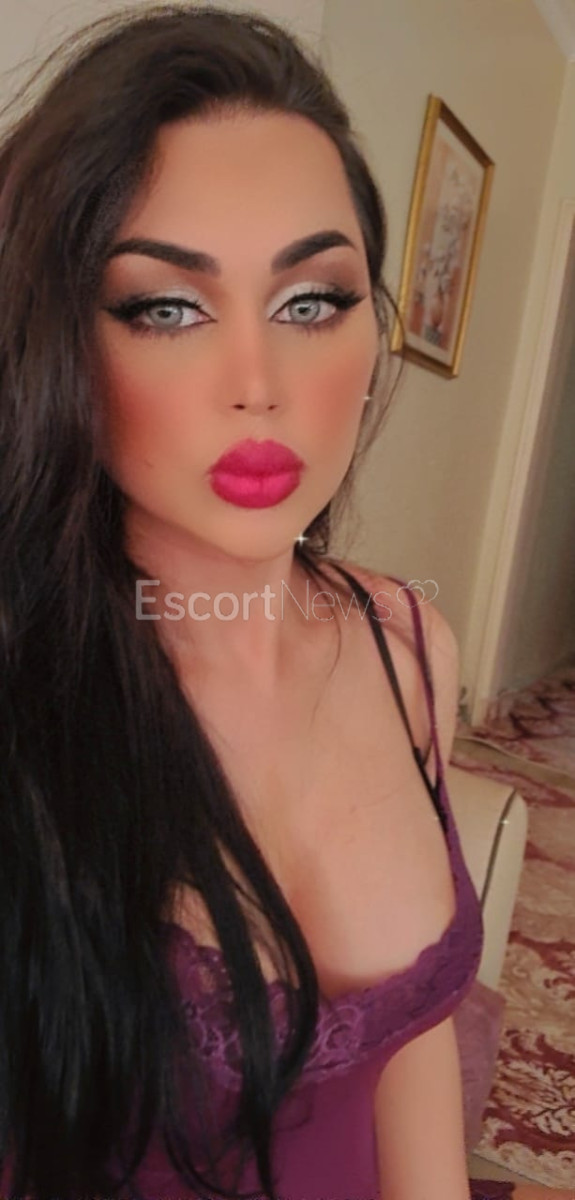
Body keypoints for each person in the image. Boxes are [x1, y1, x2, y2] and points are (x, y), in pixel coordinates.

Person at [0, 5, 567, 1199]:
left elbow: (411, 1044)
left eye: (311, 300)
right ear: (60, 341)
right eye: (165, 306)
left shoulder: (406, 645)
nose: (257, 385)